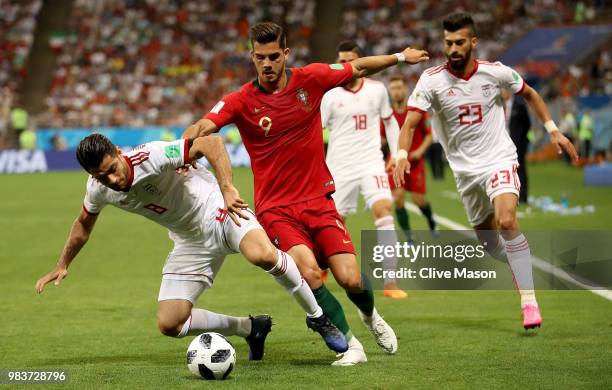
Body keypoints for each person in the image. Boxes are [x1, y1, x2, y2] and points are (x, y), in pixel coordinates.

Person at [183, 22, 429, 365]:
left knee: (351, 277)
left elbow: (357, 66)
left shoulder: (310, 79)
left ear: (286, 54)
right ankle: (351, 345)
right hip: (276, 211)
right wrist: (184, 150)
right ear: (251, 57)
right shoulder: (240, 101)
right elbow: (202, 126)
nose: (266, 64)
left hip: (318, 200)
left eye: (273, 57)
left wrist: (401, 57)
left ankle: (371, 317)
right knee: (311, 273)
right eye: (259, 58)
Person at [35, 133, 349, 361]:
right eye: (101, 177)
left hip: (218, 210)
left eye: (112, 168)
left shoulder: (150, 155)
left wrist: (227, 187)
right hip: (189, 241)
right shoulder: (98, 189)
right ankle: (251, 328)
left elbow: (211, 142)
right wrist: (63, 263)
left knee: (262, 255)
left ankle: (318, 317)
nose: (112, 180)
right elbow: (82, 225)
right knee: (170, 323)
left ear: (119, 151)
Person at [393, 13, 578, 330]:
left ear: (473, 42)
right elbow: (410, 122)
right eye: (448, 42)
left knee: (507, 221)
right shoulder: (431, 80)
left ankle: (529, 301)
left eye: (460, 42)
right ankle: (521, 264)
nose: (453, 48)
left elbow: (530, 93)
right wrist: (400, 154)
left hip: (499, 159)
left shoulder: (496, 73)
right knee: (490, 244)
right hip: (465, 173)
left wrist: (553, 129)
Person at [320, 40, 406, 300]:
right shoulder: (330, 95)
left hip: (371, 163)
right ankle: (324, 266)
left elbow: (390, 123)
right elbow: (314, 133)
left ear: (361, 63)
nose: (343, 65)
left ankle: (390, 281)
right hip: (340, 167)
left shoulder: (377, 90)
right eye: (340, 60)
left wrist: (397, 152)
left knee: (383, 210)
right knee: (335, 222)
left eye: (349, 60)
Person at [383, 74, 437, 239]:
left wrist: (420, 151)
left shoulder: (415, 111)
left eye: (399, 88)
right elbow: (382, 137)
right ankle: (408, 237)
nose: (396, 92)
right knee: (398, 198)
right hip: (395, 162)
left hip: (414, 162)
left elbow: (429, 135)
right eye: (393, 89)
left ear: (406, 89)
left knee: (418, 200)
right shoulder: (386, 114)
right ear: (389, 92)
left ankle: (431, 221)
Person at [502, 88, 531, 204]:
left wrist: (520, 138)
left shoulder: (519, 104)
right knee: (505, 170)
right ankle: (509, 196)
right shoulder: (499, 104)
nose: (501, 92)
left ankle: (523, 196)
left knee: (520, 169)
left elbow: (527, 123)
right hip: (503, 143)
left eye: (502, 90)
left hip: (518, 143)